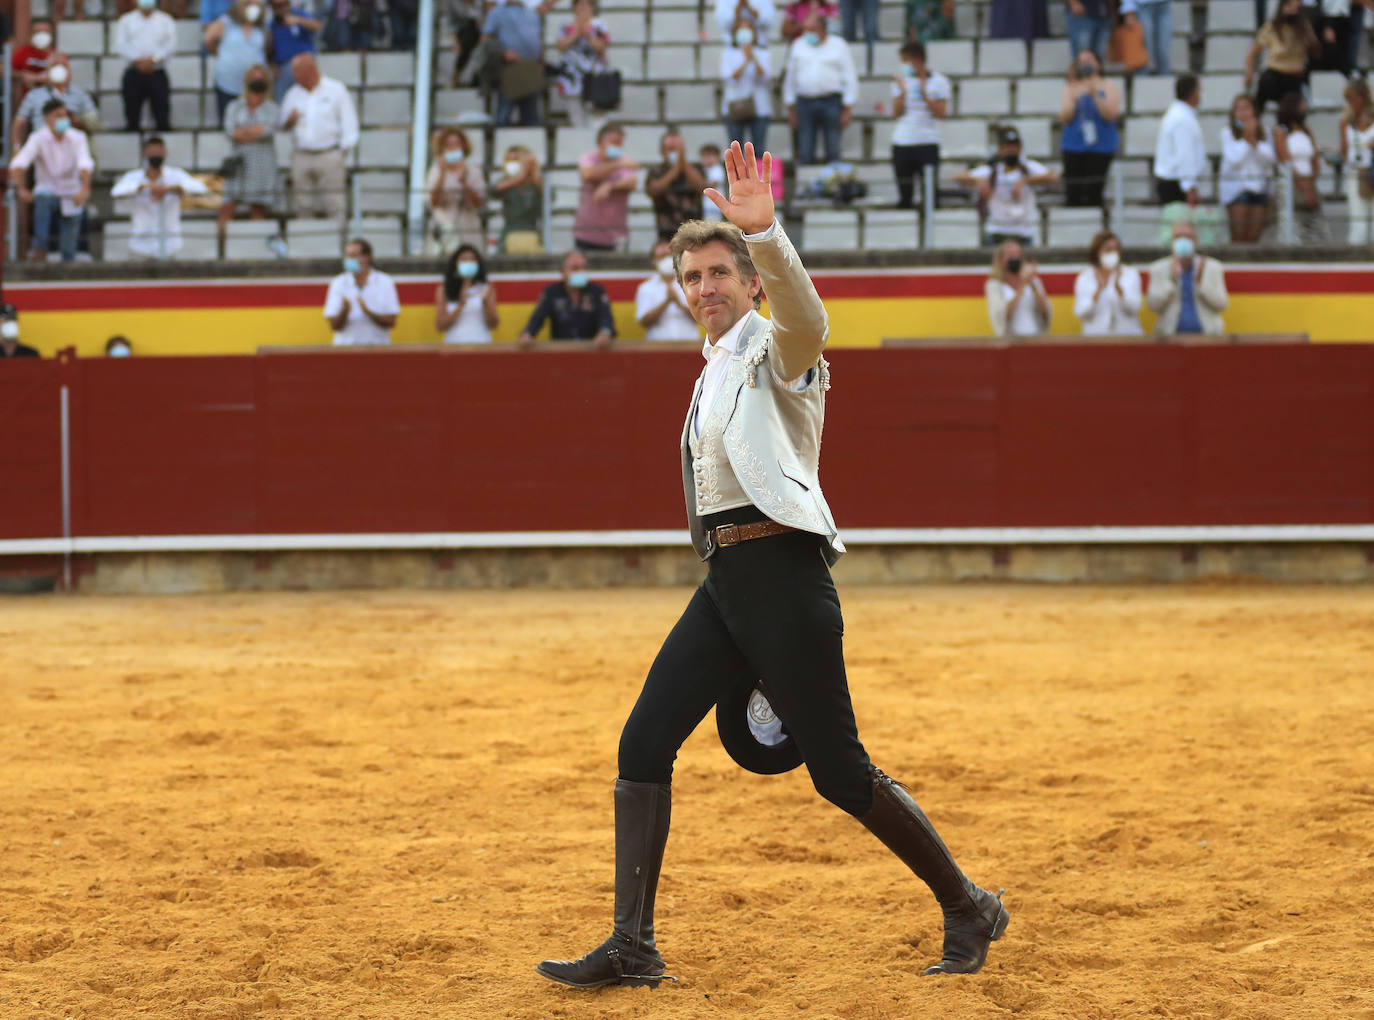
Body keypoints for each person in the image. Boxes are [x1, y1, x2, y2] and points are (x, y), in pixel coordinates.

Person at [534, 140, 1011, 991]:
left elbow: (809, 320)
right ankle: (632, 943)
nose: (706, 289)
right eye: (693, 279)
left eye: (721, 272)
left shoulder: (777, 349)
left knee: (839, 773)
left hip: (785, 580)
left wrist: (768, 235)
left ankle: (969, 904)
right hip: (727, 581)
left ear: (749, 281)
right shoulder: (713, 367)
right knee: (643, 741)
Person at [8, 99, 93, 263]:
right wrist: (21, 189)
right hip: (47, 191)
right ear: (47, 119)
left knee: (69, 250)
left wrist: (85, 189)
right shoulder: (38, 138)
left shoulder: (78, 137)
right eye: (58, 115)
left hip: (71, 194)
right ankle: (40, 246)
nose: (63, 119)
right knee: (43, 195)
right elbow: (19, 164)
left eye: (65, 115)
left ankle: (68, 266)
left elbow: (85, 164)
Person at [280, 54, 359, 221]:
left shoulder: (336, 90)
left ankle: (339, 243)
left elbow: (349, 123)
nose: (294, 76)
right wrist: (290, 121)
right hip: (301, 155)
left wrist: (341, 153)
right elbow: (283, 126)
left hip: (329, 154)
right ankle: (306, 244)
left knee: (334, 203)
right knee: (303, 204)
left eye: (297, 71)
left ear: (310, 70)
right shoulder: (292, 94)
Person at [110, 135, 209, 258]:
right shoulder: (133, 177)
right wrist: (146, 187)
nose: (156, 155)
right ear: (144, 153)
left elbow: (200, 189)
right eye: (152, 152)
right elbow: (116, 192)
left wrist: (171, 188)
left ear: (165, 153)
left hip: (171, 245)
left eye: (159, 152)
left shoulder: (175, 175)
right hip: (141, 245)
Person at [782, 11, 859, 166]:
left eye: (812, 30)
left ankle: (833, 185)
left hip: (831, 101)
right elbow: (790, 78)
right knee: (805, 149)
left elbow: (850, 77)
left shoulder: (839, 45)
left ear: (823, 29)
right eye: (806, 31)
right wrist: (790, 107)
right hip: (804, 102)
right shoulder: (798, 45)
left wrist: (848, 108)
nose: (808, 34)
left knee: (833, 149)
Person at [956, 127, 1056, 246]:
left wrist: (1025, 181)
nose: (1012, 151)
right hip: (996, 231)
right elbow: (959, 176)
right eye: (1008, 147)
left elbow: (1053, 176)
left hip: (1023, 232)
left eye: (1015, 147)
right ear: (1001, 150)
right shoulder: (993, 172)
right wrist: (979, 181)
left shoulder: (1029, 168)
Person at [218, 65, 280, 238]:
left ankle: (253, 246)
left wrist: (244, 131)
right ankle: (221, 249)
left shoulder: (272, 108)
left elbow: (267, 131)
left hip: (262, 163)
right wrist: (253, 132)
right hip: (238, 161)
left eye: (261, 78)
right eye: (254, 78)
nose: (257, 82)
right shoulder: (234, 106)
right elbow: (231, 132)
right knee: (227, 205)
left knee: (257, 206)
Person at [890, 40, 949, 210]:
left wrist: (924, 93)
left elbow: (940, 113)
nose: (904, 65)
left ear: (917, 59)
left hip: (928, 141)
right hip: (903, 141)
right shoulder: (901, 82)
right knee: (905, 195)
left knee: (930, 196)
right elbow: (896, 113)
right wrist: (902, 92)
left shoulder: (938, 81)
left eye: (906, 61)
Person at [1059, 49, 1121, 208]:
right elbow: (1064, 118)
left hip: (1100, 147)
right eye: (1082, 61)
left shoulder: (1108, 86)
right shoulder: (1071, 87)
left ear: (1098, 64)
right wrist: (1074, 98)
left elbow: (1111, 115)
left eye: (1090, 60)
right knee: (1073, 191)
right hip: (1074, 145)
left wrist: (1095, 94)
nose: (1086, 64)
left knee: (1095, 190)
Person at [1146, 219, 1228, 336]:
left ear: (1196, 241)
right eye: (1178, 237)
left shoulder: (1212, 267)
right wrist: (1172, 281)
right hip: (1169, 337)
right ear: (1172, 241)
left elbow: (1222, 304)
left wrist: (1201, 284)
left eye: (1188, 237)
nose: (1183, 241)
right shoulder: (1159, 268)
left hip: (1208, 336)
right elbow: (1153, 306)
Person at [517, 251, 615, 347]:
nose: (580, 272)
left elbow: (605, 316)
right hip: (561, 350)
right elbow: (538, 317)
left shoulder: (596, 291)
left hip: (591, 348)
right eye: (575, 268)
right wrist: (528, 333)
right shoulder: (552, 292)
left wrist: (604, 332)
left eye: (583, 268)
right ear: (562, 271)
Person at [1246, 0, 1320, 116]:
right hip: (1275, 75)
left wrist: (1309, 34)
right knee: (1264, 83)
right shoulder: (1271, 27)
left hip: (1295, 78)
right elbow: (1252, 54)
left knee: (1294, 110)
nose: (1292, 10)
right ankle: (1255, 118)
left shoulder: (1304, 27)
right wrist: (1249, 71)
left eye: (1296, 7)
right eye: (1289, 6)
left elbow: (1316, 52)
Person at [573, 122, 640, 252]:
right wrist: (617, 165)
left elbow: (631, 182)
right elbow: (587, 174)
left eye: (620, 142)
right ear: (600, 142)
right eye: (613, 141)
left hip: (616, 235)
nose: (617, 146)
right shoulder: (588, 158)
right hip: (586, 233)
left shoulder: (624, 160)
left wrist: (609, 185)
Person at [1218, 94, 1275, 244]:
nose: (1243, 113)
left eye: (1246, 108)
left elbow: (1270, 159)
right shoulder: (1227, 133)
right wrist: (1246, 139)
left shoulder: (1265, 132)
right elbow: (1234, 159)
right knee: (1239, 237)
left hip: (1259, 188)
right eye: (1238, 109)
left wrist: (1254, 142)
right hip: (1237, 190)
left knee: (1254, 238)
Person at [324, 238, 401, 345]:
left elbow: (391, 322)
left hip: (377, 348)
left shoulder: (385, 282)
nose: (349, 260)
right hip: (345, 349)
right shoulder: (338, 283)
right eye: (348, 256)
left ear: (367, 257)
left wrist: (368, 312)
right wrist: (345, 311)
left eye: (354, 256)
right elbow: (334, 326)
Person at [205, 0, 270, 127]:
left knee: (254, 122)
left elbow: (267, 49)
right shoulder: (227, 21)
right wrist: (219, 54)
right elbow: (208, 39)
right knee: (227, 121)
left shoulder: (262, 26)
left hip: (254, 83)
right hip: (227, 82)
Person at [115, 0, 176, 132]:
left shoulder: (166, 20)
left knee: (162, 115)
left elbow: (170, 46)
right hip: (133, 71)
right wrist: (138, 61)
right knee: (132, 115)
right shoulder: (126, 20)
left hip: (157, 71)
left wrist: (153, 60)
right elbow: (121, 45)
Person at [481, 0, 545, 127]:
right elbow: (486, 39)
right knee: (504, 114)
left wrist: (541, 60)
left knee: (532, 115)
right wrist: (504, 52)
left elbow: (538, 38)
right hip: (509, 70)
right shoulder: (496, 12)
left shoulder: (532, 13)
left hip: (531, 68)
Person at [1273, 91, 1325, 242]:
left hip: (1309, 182)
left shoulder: (1307, 131)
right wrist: (1304, 188)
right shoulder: (1280, 132)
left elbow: (1314, 160)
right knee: (1293, 230)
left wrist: (1311, 185)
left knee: (1314, 231)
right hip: (1291, 186)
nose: (1305, 108)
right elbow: (1285, 161)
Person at [426, 126, 486, 256]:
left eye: (456, 144)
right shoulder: (435, 171)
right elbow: (433, 203)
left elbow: (478, 204)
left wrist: (464, 183)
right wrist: (442, 175)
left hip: (468, 228)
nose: (452, 147)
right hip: (444, 227)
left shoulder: (474, 171)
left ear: (464, 147)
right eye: (448, 145)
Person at [13, 60, 99, 146]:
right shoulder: (34, 95)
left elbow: (94, 124)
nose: (59, 70)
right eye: (55, 65)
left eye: (63, 66)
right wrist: (16, 148)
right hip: (43, 147)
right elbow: (19, 123)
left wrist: (76, 122)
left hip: (71, 146)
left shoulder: (81, 95)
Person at [553, 0, 611, 127]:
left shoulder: (599, 25)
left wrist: (588, 34)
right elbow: (560, 46)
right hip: (572, 77)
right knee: (576, 118)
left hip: (594, 77)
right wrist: (576, 33)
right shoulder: (565, 26)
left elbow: (602, 47)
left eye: (587, 4)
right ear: (574, 7)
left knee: (597, 118)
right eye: (580, 5)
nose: (583, 8)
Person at [1073, 231, 1143, 336]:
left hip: (1127, 337)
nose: (1113, 253)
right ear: (1097, 252)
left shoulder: (1130, 274)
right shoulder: (1085, 277)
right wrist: (1098, 290)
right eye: (1108, 250)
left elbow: (1135, 308)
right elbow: (1081, 312)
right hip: (1095, 338)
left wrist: (1119, 290)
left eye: (1116, 249)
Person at [1152, 73, 1206, 205]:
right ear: (1194, 93)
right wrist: (1189, 187)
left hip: (1174, 182)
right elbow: (1185, 154)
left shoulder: (1177, 114)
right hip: (1176, 184)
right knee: (1181, 224)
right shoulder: (1182, 119)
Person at [721, 17, 773, 152]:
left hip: (760, 107)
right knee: (736, 150)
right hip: (735, 106)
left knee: (758, 149)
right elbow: (730, 78)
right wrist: (745, 61)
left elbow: (765, 77)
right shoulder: (728, 54)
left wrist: (753, 58)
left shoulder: (762, 53)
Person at [647, 129, 708, 242]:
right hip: (667, 234)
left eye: (678, 149)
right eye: (671, 149)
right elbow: (653, 190)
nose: (675, 152)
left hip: (695, 234)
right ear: (662, 151)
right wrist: (674, 170)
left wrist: (683, 162)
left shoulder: (695, 169)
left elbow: (703, 188)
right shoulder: (656, 171)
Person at [635, 239, 698, 340]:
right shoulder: (646, 288)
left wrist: (679, 304)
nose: (666, 260)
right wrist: (666, 302)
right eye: (661, 257)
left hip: (689, 348)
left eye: (669, 256)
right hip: (658, 349)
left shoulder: (692, 283)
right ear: (653, 261)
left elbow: (702, 317)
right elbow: (644, 322)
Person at [435, 244, 499, 343]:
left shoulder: (486, 288)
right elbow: (440, 326)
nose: (468, 263)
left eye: (472, 260)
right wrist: (460, 305)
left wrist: (485, 303)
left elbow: (493, 324)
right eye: (464, 260)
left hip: (482, 345)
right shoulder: (444, 290)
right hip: (454, 346)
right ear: (455, 263)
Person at [985, 239, 1051, 336]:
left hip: (1035, 337)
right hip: (1010, 340)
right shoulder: (994, 285)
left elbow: (1046, 312)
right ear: (1000, 260)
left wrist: (1031, 282)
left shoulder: (1034, 282)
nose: (1015, 257)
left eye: (1018, 254)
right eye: (1010, 254)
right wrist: (1022, 286)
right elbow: (1002, 316)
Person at [1339, 76, 1374, 244]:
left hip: (1373, 170)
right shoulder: (1345, 121)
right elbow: (1344, 152)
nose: (1352, 102)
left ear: (1364, 97)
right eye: (1348, 98)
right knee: (1358, 221)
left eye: (1355, 97)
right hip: (1355, 173)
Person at [493, 144, 544, 253]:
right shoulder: (505, 181)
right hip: (509, 234)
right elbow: (494, 191)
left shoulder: (537, 183)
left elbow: (548, 197)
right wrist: (520, 178)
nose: (512, 163)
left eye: (516, 159)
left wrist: (532, 173)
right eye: (509, 160)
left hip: (532, 233)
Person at [268, 0, 322, 102]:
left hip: (304, 65)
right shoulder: (273, 23)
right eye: (276, 6)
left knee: (309, 97)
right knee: (282, 100)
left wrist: (298, 20)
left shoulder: (299, 14)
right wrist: (272, 65)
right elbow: (270, 49)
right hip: (283, 68)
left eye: (283, 4)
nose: (281, 8)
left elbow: (317, 26)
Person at [1126, 0, 1173, 76]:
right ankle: (1141, 79)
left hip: (1164, 6)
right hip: (1143, 6)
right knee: (1144, 47)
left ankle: (1164, 78)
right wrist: (1128, 9)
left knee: (1163, 49)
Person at [11, 18, 55, 94]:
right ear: (31, 33)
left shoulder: (57, 55)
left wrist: (35, 78)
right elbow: (5, 70)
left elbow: (62, 77)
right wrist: (21, 75)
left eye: (45, 32)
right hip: (27, 99)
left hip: (51, 100)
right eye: (37, 32)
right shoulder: (22, 52)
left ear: (52, 34)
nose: (41, 35)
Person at [446, 0, 484, 86]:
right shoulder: (451, 2)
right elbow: (451, 23)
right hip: (464, 30)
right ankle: (456, 76)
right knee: (468, 39)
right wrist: (455, 41)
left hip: (481, 28)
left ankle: (457, 76)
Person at [701, 144, 726, 221]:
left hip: (715, 206)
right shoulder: (707, 169)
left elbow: (713, 184)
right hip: (708, 206)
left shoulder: (717, 169)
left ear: (718, 157)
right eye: (704, 156)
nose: (707, 159)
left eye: (710, 156)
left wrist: (699, 182)